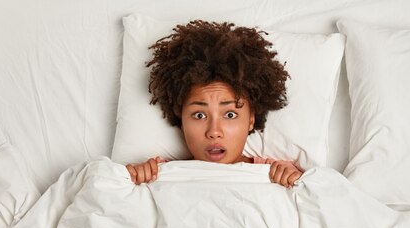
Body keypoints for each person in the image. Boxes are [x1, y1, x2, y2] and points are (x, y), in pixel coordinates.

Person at [126, 20, 304, 188]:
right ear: (181, 120)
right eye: (199, 115)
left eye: (230, 115)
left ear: (251, 119)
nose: (214, 132)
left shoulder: (277, 173)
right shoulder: (160, 173)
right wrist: (136, 177)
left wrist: (296, 179)